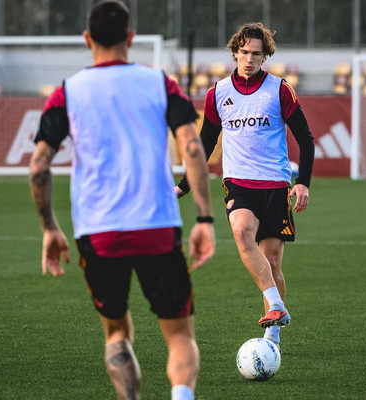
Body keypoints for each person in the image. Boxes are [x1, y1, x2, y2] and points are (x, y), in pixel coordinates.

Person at [29, 2, 215, 400]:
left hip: (99, 232)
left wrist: (49, 228)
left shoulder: (67, 92)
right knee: (179, 336)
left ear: (87, 39)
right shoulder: (160, 83)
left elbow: (39, 165)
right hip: (157, 227)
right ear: (130, 38)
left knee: (116, 333)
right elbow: (192, 148)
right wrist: (204, 218)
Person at [176, 22, 314, 349]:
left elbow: (306, 139)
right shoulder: (218, 93)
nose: (249, 59)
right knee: (241, 232)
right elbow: (206, 142)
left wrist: (303, 183)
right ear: (235, 53)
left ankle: (273, 334)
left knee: (272, 262)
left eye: (256, 54)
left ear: (265, 57)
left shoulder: (280, 90)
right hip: (238, 183)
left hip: (275, 183)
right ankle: (276, 305)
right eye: (244, 52)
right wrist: (183, 185)